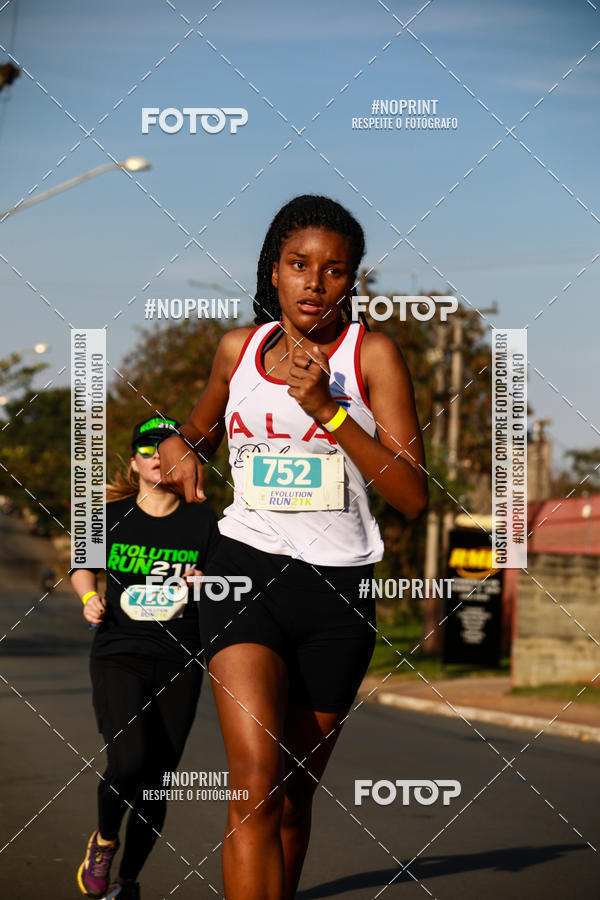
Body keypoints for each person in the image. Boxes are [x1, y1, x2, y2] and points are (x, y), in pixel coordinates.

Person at [159, 195, 428, 899]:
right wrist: (179, 448)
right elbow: (195, 432)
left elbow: (411, 495)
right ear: (273, 271)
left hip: (339, 591)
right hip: (244, 572)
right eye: (299, 265)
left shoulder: (371, 355)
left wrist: (328, 411)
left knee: (291, 798)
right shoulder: (237, 351)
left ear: (352, 280)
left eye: (334, 270)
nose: (314, 282)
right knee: (254, 786)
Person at [72, 416, 221, 900]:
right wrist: (88, 597)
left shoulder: (207, 523)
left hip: (180, 658)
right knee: (129, 757)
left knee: (157, 780)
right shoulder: (107, 516)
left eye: (167, 448)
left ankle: (128, 882)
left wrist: (206, 584)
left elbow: (231, 589)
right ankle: (104, 840)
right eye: (147, 449)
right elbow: (82, 567)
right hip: (120, 652)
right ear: (134, 462)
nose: (157, 457)